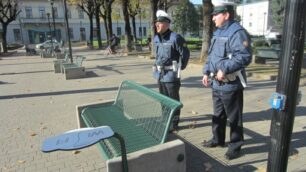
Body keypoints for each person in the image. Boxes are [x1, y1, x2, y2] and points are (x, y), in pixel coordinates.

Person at [201, 0, 252, 160]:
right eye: (214, 14)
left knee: (234, 117)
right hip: (216, 83)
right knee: (218, 114)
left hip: (230, 83)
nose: (213, 17)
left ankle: (236, 146)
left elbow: (244, 56)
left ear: (226, 14)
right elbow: (211, 55)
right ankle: (218, 139)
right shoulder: (217, 33)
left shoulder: (237, 32)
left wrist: (225, 68)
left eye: (216, 14)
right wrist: (206, 71)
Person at [152, 10, 190, 132]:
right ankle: (165, 120)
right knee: (163, 100)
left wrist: (180, 67)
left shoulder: (175, 38)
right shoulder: (156, 38)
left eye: (160, 23)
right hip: (160, 75)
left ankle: (174, 123)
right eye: (156, 23)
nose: (157, 25)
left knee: (173, 101)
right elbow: (157, 56)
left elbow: (185, 53)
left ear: (167, 24)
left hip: (171, 76)